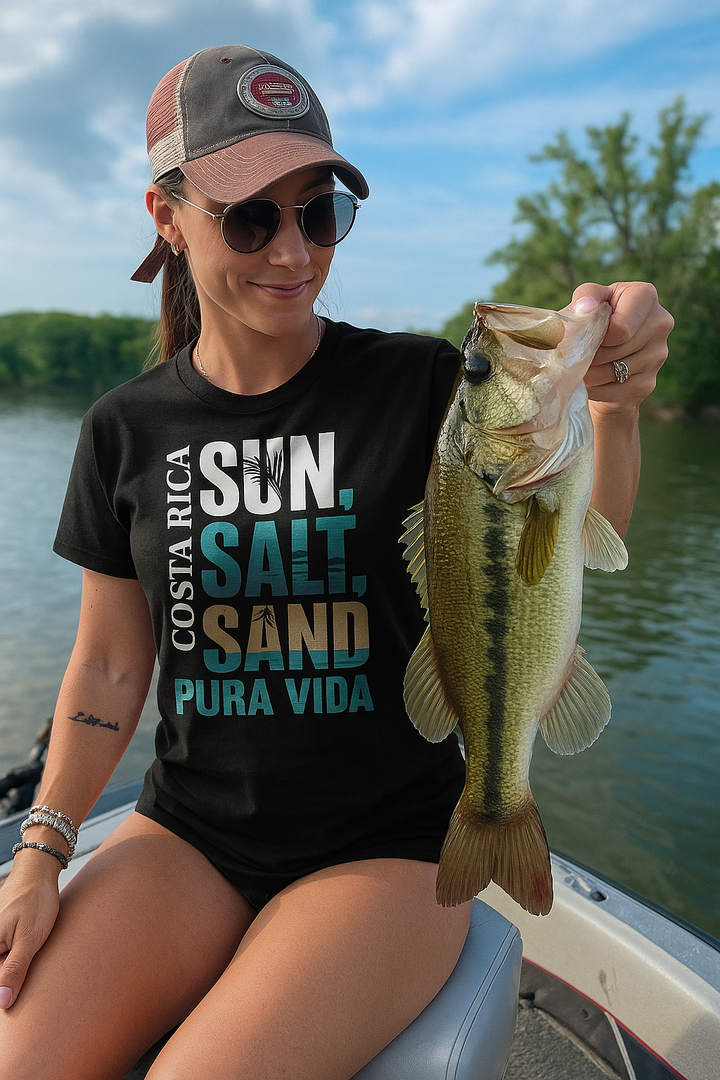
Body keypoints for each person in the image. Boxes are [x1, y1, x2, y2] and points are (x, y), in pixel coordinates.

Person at [0, 44, 672, 1080]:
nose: (293, 250)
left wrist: (612, 404)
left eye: (319, 210)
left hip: (386, 850)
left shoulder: (421, 387)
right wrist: (43, 849)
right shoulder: (122, 431)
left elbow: (561, 545)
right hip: (186, 835)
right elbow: (107, 671)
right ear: (165, 216)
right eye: (250, 215)